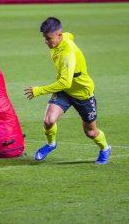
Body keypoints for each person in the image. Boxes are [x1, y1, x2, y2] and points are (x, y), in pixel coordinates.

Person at [24, 17, 111, 164]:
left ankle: (105, 148)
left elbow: (65, 82)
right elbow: (70, 35)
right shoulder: (62, 38)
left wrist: (39, 90)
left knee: (90, 132)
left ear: (59, 35)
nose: (45, 41)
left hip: (82, 94)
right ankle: (51, 144)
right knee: (49, 121)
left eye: (48, 38)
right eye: (44, 38)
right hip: (65, 91)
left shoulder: (67, 54)